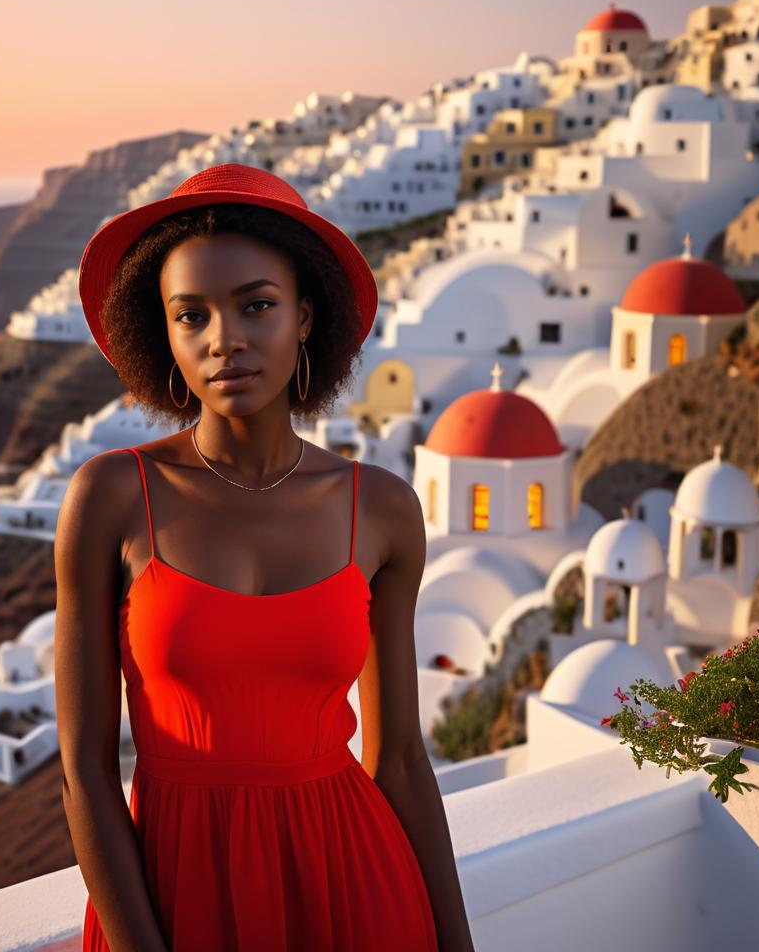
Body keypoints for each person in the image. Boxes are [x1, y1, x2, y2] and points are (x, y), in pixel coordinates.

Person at [54, 163, 475, 951]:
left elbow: (402, 762)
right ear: (165, 333)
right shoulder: (112, 496)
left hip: (358, 889)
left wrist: (457, 943)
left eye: (256, 305)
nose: (225, 341)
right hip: (178, 894)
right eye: (191, 316)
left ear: (305, 315)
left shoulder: (379, 509)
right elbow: (83, 772)